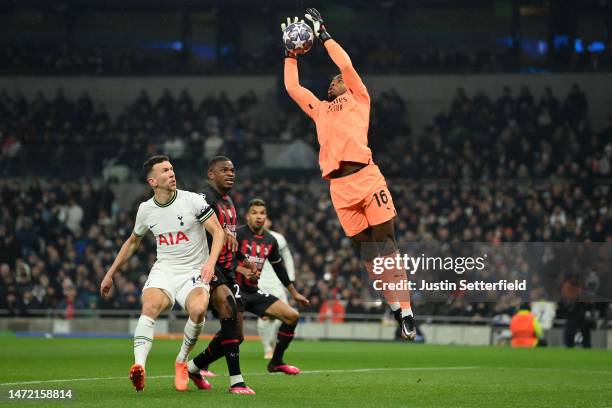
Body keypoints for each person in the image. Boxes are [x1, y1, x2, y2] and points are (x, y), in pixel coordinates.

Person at [282, 8, 416, 340]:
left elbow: (345, 65)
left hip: (368, 179)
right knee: (366, 251)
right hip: (339, 189)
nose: (334, 80)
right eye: (332, 81)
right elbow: (293, 88)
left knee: (386, 243)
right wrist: (289, 54)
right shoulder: (320, 110)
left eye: (337, 79)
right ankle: (394, 305)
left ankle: (407, 308)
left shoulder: (359, 98)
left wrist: (323, 33)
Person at [100, 155, 225, 392]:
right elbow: (132, 242)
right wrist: (110, 273)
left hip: (193, 270)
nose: (171, 173)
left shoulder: (193, 201)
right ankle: (139, 366)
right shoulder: (146, 210)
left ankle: (181, 361)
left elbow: (217, 232)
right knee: (149, 305)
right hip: (165, 269)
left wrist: (210, 263)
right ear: (153, 181)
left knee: (198, 310)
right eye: (165, 170)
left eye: (172, 169)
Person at [190, 198, 310, 376]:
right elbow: (224, 261)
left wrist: (295, 293)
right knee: (235, 336)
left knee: (292, 316)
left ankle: (276, 362)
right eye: (254, 213)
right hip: (234, 290)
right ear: (247, 216)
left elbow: (279, 268)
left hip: (253, 292)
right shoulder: (237, 234)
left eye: (262, 213)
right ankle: (201, 365)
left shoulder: (271, 240)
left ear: (266, 216)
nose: (258, 217)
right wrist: (242, 270)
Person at [187, 156, 256, 395]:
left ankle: (194, 367)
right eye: (224, 170)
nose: (230, 173)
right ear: (211, 174)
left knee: (237, 334)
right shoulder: (203, 198)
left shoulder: (229, 202)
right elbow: (196, 228)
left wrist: (242, 259)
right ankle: (236, 381)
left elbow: (228, 239)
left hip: (227, 270)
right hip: (207, 267)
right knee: (227, 309)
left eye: (233, 170)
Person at [256, 218, 296, 359]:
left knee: (282, 317)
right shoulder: (250, 238)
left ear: (270, 222)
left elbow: (288, 258)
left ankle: (272, 343)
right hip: (259, 282)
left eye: (265, 217)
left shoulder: (278, 238)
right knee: (264, 317)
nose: (262, 220)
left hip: (277, 283)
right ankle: (267, 348)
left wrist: (290, 280)